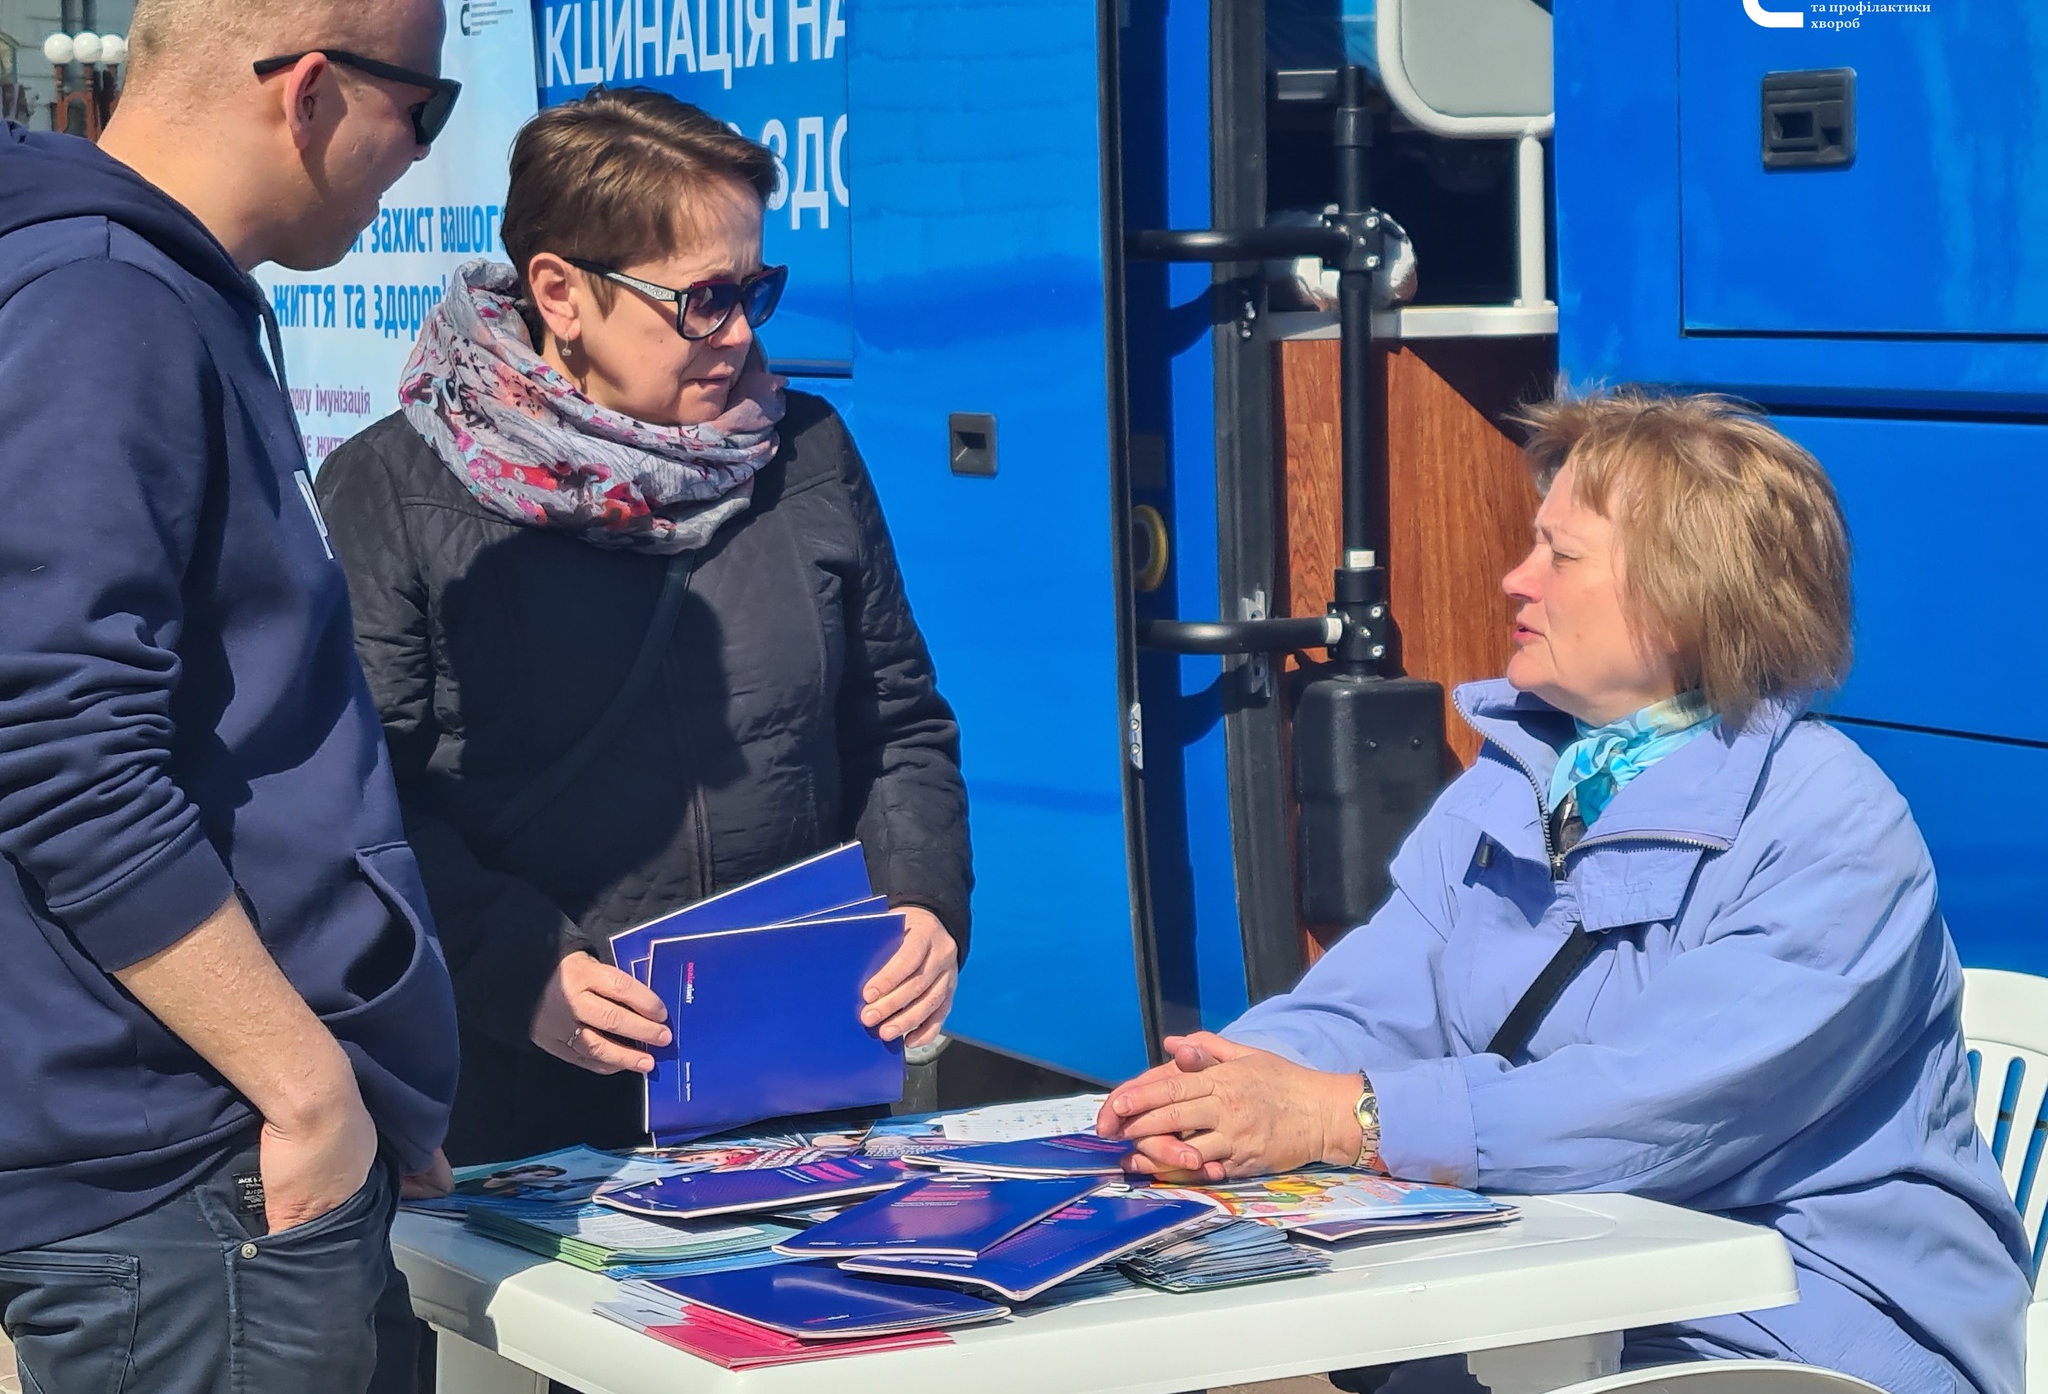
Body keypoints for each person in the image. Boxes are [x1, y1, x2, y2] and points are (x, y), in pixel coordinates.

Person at [1099, 390, 2030, 1394]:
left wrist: (1344, 1119)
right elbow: (1369, 1002)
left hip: (1788, 1332)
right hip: (1543, 1289)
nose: (1514, 580)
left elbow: (1653, 1105)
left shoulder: (1831, 827)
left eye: (1560, 554)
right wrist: (1215, 1092)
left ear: (1686, 600)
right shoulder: (1522, 781)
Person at [315, 86, 972, 1166]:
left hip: (796, 1086)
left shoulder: (805, 452)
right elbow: (359, 812)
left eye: (756, 288)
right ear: (560, 294)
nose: (742, 333)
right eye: (703, 299)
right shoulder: (393, 487)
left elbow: (897, 725)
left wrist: (921, 903)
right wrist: (514, 969)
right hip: (520, 1109)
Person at [0, 0, 462, 1394]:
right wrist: (307, 1083)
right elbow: (63, 749)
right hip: (186, 1172)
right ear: (313, 89)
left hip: (186, 1160)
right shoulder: (108, 305)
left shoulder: (111, 285)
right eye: (425, 106)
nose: (418, 155)